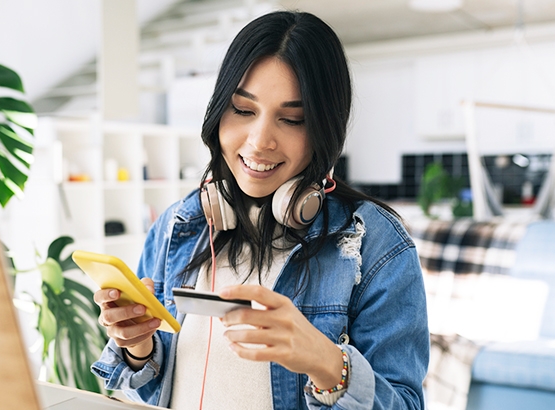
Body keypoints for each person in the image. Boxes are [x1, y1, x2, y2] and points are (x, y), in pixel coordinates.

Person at [91, 10, 429, 410]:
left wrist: (325, 362)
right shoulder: (178, 226)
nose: (259, 141)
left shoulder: (375, 244)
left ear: (325, 129)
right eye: (243, 110)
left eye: (292, 119)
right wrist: (138, 349)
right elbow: (155, 390)